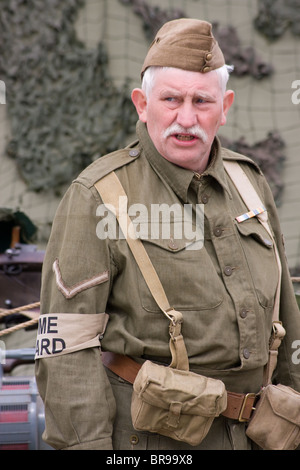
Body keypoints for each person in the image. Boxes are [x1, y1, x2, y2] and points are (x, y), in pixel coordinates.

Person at [35, 18, 300, 450]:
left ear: (226, 105)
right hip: (155, 443)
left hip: (258, 436)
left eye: (202, 101)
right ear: (142, 104)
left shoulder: (249, 183)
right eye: (171, 99)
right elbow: (67, 348)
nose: (186, 118)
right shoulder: (99, 195)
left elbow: (287, 319)